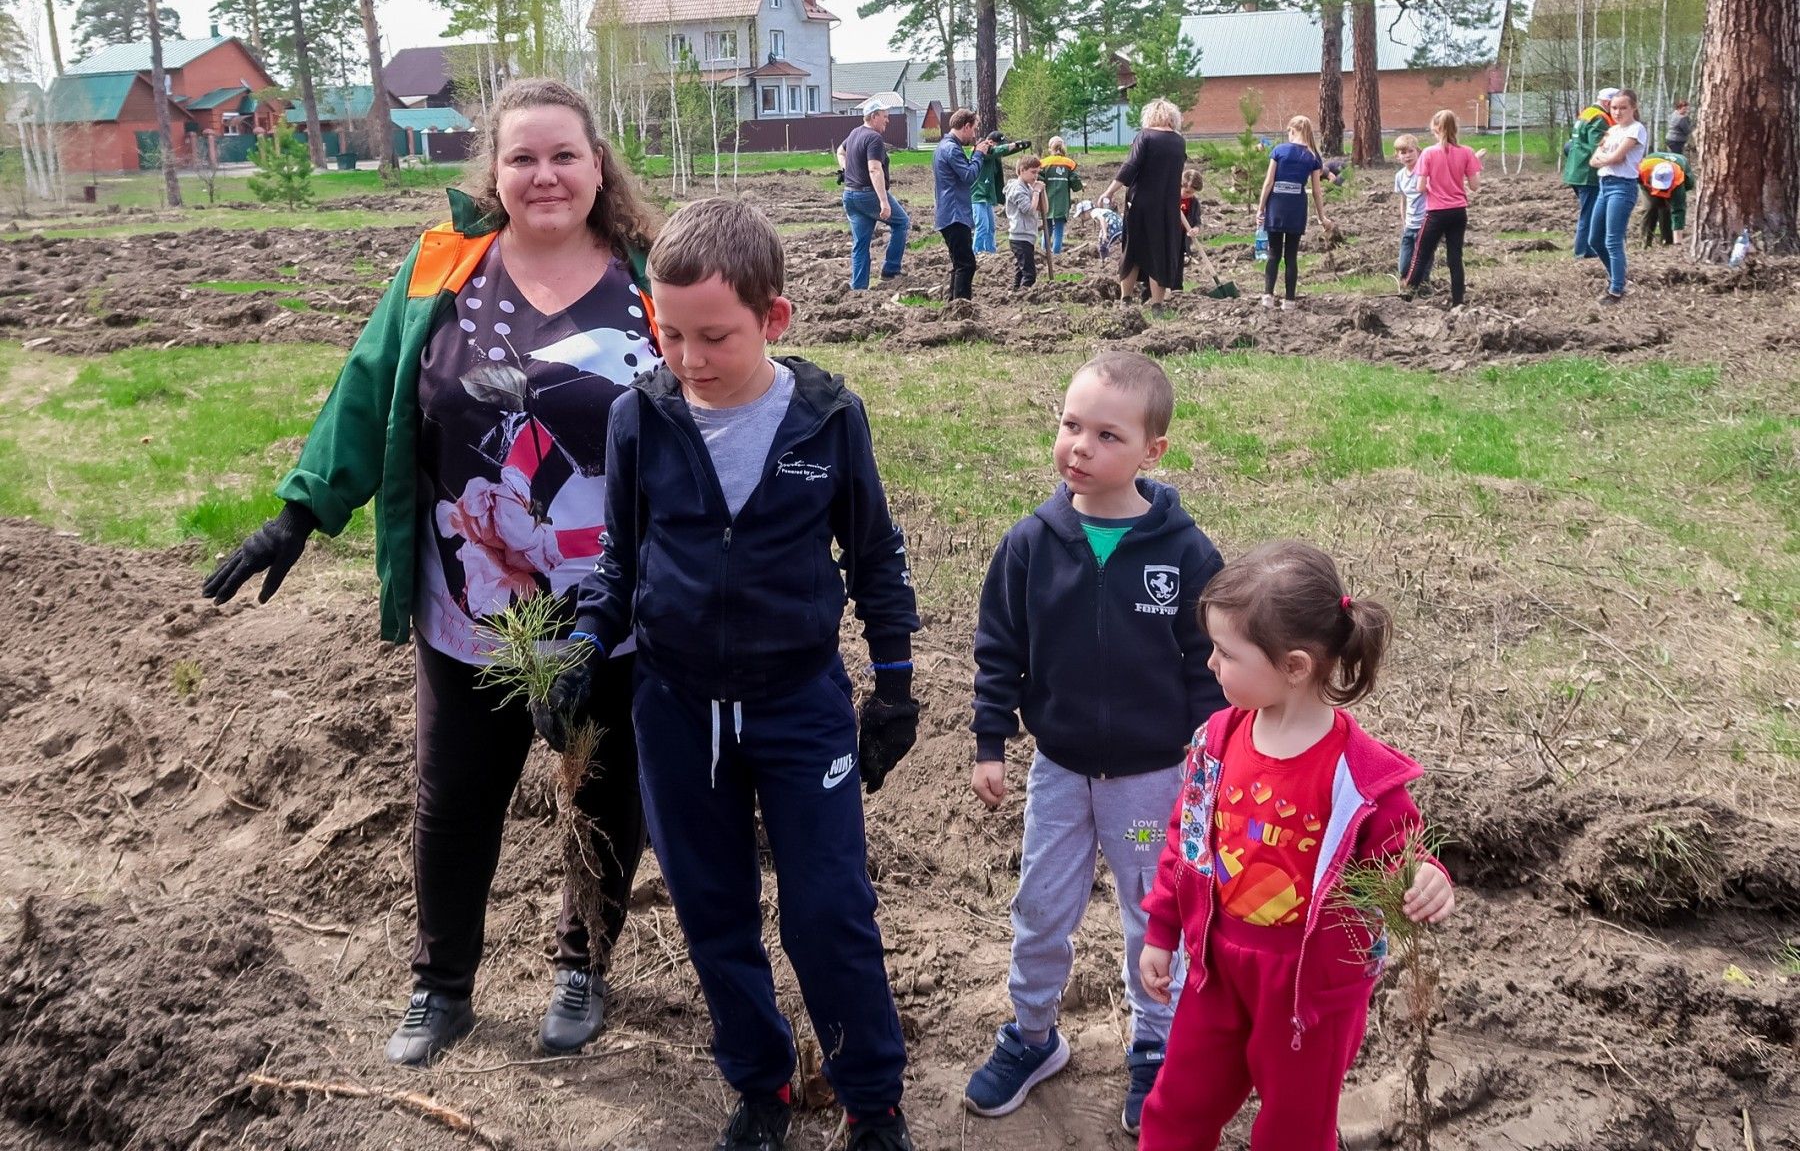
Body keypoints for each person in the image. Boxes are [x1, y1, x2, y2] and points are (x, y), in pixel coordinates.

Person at [200, 78, 661, 1067]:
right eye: (522, 157)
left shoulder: (648, 278)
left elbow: (718, 401)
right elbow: (368, 389)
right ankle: (442, 985)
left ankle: (583, 967)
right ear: (493, 171)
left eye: (563, 156)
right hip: (471, 604)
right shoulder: (441, 267)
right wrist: (299, 510)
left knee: (603, 795)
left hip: (610, 613)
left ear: (598, 165)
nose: (543, 175)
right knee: (454, 800)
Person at [536, 196, 923, 1151]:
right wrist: (587, 646)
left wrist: (897, 683)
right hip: (674, 707)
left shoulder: (830, 420)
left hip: (800, 704)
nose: (689, 358)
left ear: (774, 319)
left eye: (714, 336)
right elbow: (621, 560)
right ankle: (760, 1086)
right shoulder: (642, 418)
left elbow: (875, 557)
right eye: (668, 334)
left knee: (829, 910)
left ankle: (873, 1101)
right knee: (711, 906)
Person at [963, 350, 1226, 1135]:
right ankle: (1033, 1035)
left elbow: (1209, 666)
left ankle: (1153, 1050)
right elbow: (998, 648)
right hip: (1059, 776)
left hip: (1149, 789)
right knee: (1041, 908)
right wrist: (988, 741)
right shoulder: (1031, 544)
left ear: (1153, 452)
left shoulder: (1185, 555)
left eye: (1107, 435)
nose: (1080, 446)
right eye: (1070, 425)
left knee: (1153, 914)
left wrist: (1209, 761)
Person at [1135, 541, 1457, 1151]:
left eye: (1226, 653)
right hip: (1217, 969)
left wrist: (1429, 876)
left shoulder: (1356, 778)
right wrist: (1162, 932)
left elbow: (1402, 854)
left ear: (1295, 667)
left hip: (1311, 990)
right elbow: (1186, 842)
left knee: (1294, 1132)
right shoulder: (1218, 741)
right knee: (1177, 1108)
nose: (1210, 665)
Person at [1099, 98, 1190, 303]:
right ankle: (1157, 304)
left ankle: (1126, 299)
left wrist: (1109, 191)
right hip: (1167, 207)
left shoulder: (1146, 136)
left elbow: (1130, 166)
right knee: (1160, 251)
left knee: (1133, 250)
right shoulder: (1179, 142)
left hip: (1141, 204)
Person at [1401, 109, 1481, 307]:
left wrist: (1433, 186)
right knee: (1455, 256)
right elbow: (1474, 186)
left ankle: (1407, 295)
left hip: (1436, 213)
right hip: (1458, 212)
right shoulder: (1467, 152)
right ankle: (1458, 301)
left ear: (1436, 129)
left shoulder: (1428, 153)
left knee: (1421, 254)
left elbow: (1420, 187)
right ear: (1456, 128)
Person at [1254, 114, 1333, 311]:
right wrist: (1321, 216)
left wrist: (1261, 208)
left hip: (1276, 206)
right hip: (1297, 207)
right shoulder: (1313, 157)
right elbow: (1316, 190)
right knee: (1291, 255)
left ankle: (1268, 296)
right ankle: (1289, 300)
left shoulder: (1279, 150)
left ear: (1292, 131)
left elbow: (1268, 183)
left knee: (1273, 253)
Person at [841, 100, 910, 290]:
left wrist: (846, 169)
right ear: (874, 116)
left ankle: (859, 288)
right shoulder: (873, 138)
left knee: (860, 244)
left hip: (850, 195)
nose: (887, 121)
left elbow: (841, 151)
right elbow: (874, 169)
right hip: (867, 195)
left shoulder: (855, 133)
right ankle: (891, 269)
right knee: (902, 222)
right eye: (885, 117)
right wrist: (883, 201)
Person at [1589, 88, 1647, 304]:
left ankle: (1616, 290)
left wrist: (1607, 158)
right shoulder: (1612, 131)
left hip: (1623, 187)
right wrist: (1607, 158)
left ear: (1633, 108)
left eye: (1623, 108)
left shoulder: (1636, 129)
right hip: (1605, 185)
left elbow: (1617, 157)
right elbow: (1594, 160)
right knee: (1595, 239)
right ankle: (1618, 276)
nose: (1618, 112)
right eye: (1614, 108)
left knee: (1613, 240)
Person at [935, 110, 997, 301]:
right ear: (966, 126)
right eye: (974, 129)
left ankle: (953, 305)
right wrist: (978, 154)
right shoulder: (952, 149)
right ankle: (962, 308)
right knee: (966, 264)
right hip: (955, 213)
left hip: (948, 212)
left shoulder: (945, 146)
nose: (974, 135)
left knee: (959, 263)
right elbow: (969, 176)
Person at [1563, 86, 1618, 259]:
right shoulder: (1600, 118)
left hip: (1575, 170)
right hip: (1588, 173)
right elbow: (1598, 145)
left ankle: (1586, 249)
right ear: (1608, 102)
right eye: (1615, 105)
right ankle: (1583, 251)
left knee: (1588, 212)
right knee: (1589, 214)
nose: (1616, 110)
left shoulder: (1587, 113)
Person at [972, 131, 1030, 253]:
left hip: (987, 196)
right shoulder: (982, 151)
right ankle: (976, 253)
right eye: (1000, 145)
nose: (1002, 147)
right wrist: (1015, 144)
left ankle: (990, 252)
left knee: (991, 227)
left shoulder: (994, 154)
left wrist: (1020, 147)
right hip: (978, 195)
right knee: (982, 227)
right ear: (991, 142)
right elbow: (997, 151)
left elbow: (1002, 151)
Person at [1391, 134, 1435, 286]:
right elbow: (1403, 200)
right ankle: (1407, 283)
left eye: (1410, 151)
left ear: (1418, 152)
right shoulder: (1400, 177)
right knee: (1404, 266)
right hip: (1410, 226)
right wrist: (1404, 222)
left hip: (1426, 224)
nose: (1407, 156)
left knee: (1424, 261)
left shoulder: (1425, 173)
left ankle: (1423, 286)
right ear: (1397, 156)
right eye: (1403, 153)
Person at [1005, 155, 1047, 288]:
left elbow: (1044, 209)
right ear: (1022, 170)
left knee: (1020, 272)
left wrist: (1042, 191)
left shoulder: (1028, 187)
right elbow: (1028, 210)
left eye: (1038, 172)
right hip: (1020, 236)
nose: (1036, 176)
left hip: (1027, 236)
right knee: (1029, 275)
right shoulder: (1017, 189)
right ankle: (1024, 299)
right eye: (1033, 172)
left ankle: (1015, 294)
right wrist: (1036, 192)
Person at [1039, 137, 1083, 255]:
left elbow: (1038, 180)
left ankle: (1044, 253)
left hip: (1046, 200)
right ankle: (1056, 255)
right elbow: (1075, 182)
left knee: (1047, 230)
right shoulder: (1069, 164)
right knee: (1059, 230)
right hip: (1062, 202)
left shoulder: (1044, 163)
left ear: (1050, 148)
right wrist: (1080, 186)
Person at [1638, 151, 1690, 248]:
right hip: (1647, 181)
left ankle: (1668, 241)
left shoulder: (1679, 180)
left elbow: (1678, 210)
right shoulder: (1642, 169)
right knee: (1650, 207)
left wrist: (1678, 243)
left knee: (1667, 207)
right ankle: (1645, 242)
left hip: (1679, 168)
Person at [1178, 167, 1204, 264]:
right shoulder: (1170, 199)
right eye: (1187, 192)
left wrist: (1196, 229)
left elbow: (1197, 221)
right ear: (1180, 186)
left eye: (1193, 193)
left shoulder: (1194, 203)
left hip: (1183, 240)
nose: (1189, 195)